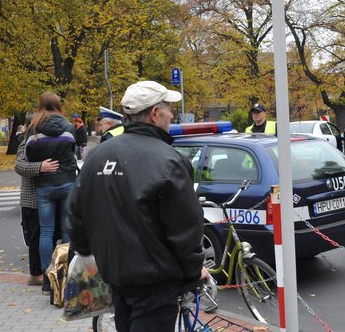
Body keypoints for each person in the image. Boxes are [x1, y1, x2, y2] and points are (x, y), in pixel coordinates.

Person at [67, 80, 207, 332]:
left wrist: (86, 250)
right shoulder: (169, 160)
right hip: (156, 284)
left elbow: (76, 214)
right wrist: (194, 270)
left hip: (116, 278)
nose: (172, 115)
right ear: (155, 113)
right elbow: (185, 227)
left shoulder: (98, 156)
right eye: (168, 108)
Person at [25, 92, 78, 294]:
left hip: (44, 185)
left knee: (46, 232)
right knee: (66, 231)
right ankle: (66, 277)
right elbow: (73, 152)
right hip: (66, 182)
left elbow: (29, 156)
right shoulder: (68, 126)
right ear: (57, 105)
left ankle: (49, 280)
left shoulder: (33, 128)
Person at [14, 138, 59, 286]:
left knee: (52, 235)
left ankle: (54, 271)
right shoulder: (28, 141)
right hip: (32, 198)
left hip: (54, 195)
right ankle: (36, 274)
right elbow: (20, 166)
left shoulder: (58, 138)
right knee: (35, 236)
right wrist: (41, 167)